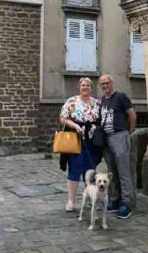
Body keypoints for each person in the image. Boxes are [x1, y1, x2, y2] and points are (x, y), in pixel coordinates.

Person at [59, 77, 102, 212]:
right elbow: (62, 118)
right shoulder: (72, 101)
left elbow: (101, 120)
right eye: (83, 85)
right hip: (75, 138)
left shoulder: (97, 103)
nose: (85, 87)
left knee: (90, 170)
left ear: (91, 87)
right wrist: (75, 125)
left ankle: (91, 199)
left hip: (92, 140)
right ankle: (71, 201)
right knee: (75, 167)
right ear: (79, 87)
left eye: (88, 85)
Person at [99, 73, 137, 219]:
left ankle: (126, 203)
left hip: (119, 136)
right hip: (107, 139)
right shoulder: (103, 99)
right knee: (111, 171)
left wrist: (129, 132)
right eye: (102, 84)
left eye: (107, 83)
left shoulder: (121, 97)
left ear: (112, 83)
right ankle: (114, 199)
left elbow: (132, 114)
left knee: (123, 171)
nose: (105, 86)